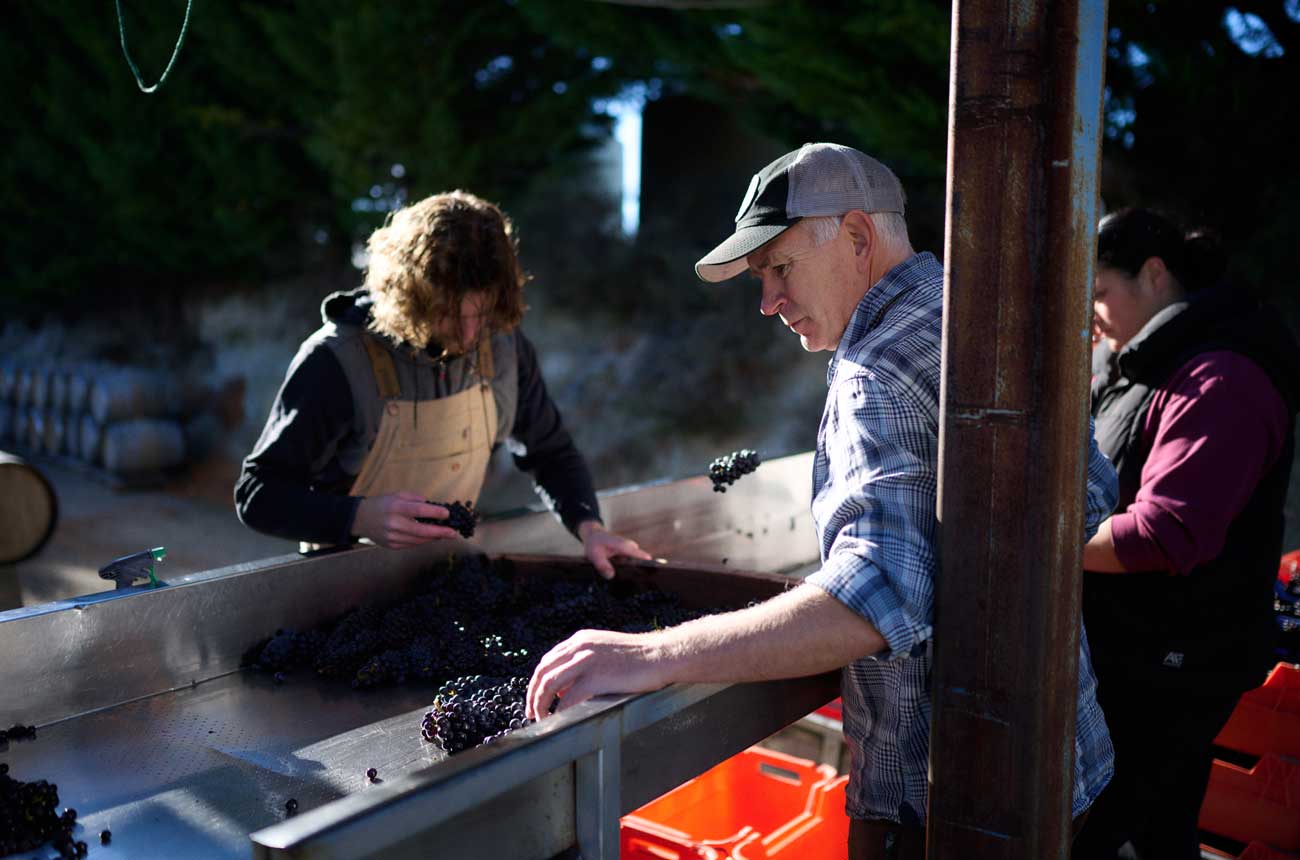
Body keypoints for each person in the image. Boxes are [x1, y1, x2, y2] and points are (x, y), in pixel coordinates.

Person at [523, 143, 1119, 858]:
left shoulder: (878, 371)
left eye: (780, 268)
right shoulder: (989, 317)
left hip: (943, 803)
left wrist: (651, 655)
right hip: (1061, 760)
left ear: (860, 237)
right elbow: (1091, 499)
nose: (768, 301)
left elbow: (872, 599)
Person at [234, 190, 649, 577]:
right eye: (449, 315)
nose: (469, 336)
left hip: (446, 577)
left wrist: (590, 528)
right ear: (410, 297)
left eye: (482, 315)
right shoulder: (335, 360)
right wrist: (356, 518)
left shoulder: (504, 349)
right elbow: (257, 494)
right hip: (339, 590)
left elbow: (551, 453)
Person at [1074, 208, 1300, 859]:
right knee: (1158, 832)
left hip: (1175, 661)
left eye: (1100, 292)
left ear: (1154, 274)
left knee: (1097, 830)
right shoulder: (1136, 358)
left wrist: (1038, 544)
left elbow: (1164, 532)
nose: (1090, 312)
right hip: (1144, 651)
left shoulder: (1220, 378)